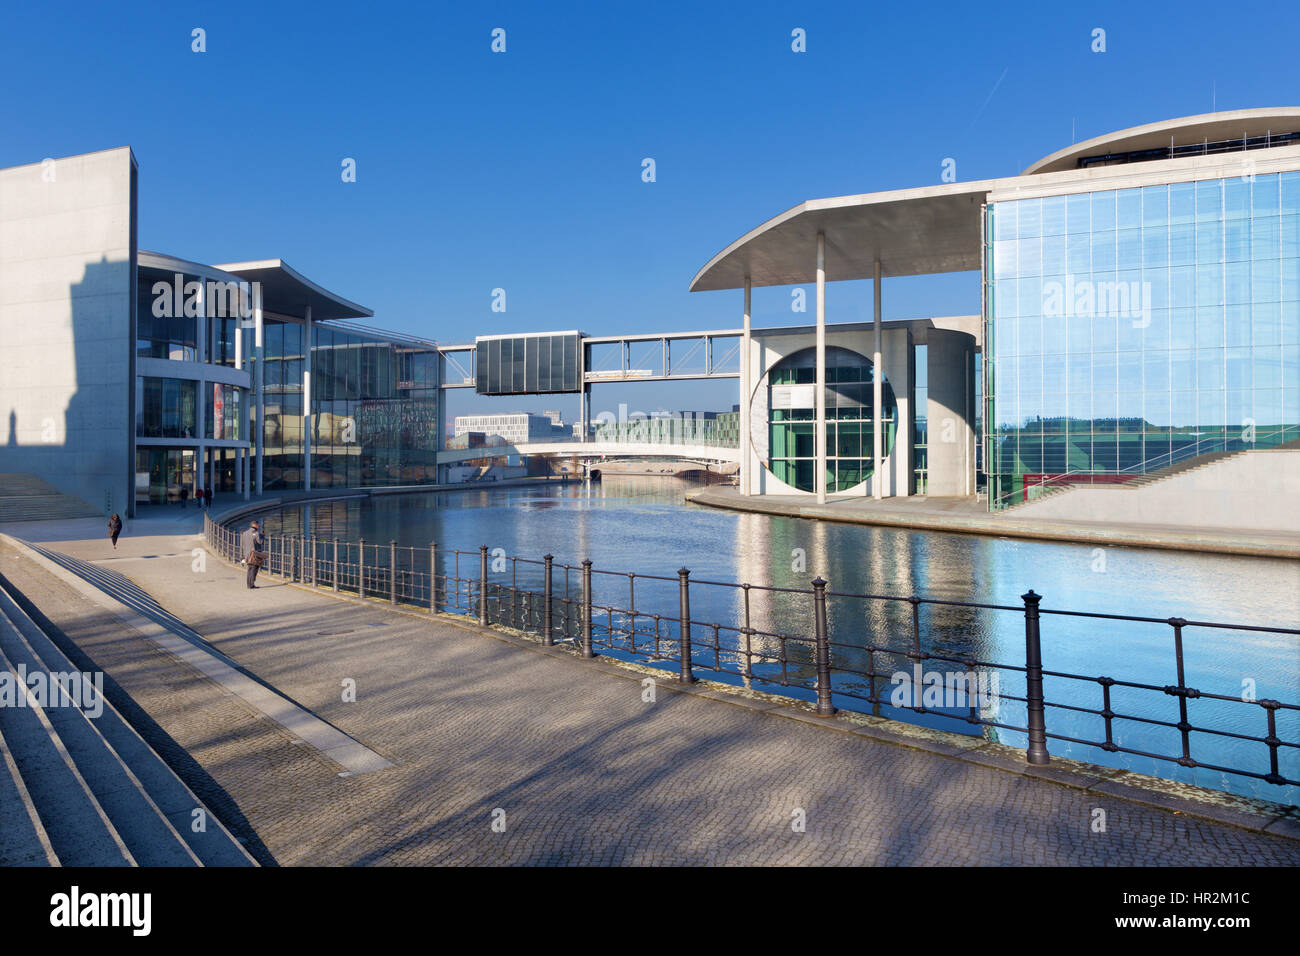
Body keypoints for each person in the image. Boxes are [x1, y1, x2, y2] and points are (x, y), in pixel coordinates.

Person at [240, 520, 265, 589]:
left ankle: (249, 584)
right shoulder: (256, 533)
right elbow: (260, 542)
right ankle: (251, 584)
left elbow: (242, 544)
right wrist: (262, 535)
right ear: (256, 525)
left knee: (250, 569)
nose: (258, 526)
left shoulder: (244, 533)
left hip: (247, 554)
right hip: (254, 555)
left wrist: (243, 555)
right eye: (258, 525)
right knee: (254, 569)